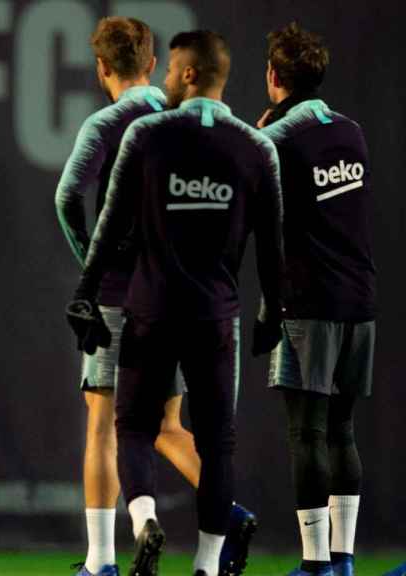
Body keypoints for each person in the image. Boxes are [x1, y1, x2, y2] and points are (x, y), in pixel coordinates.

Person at [67, 30, 284, 576]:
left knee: (119, 426)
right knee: (209, 440)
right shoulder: (252, 146)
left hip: (142, 302)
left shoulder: (143, 131)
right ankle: (213, 552)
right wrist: (272, 312)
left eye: (173, 75)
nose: (166, 83)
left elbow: (81, 201)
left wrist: (86, 288)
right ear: (151, 61)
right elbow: (273, 244)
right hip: (216, 315)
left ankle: (108, 554)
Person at [257, 23, 376, 576]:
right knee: (343, 431)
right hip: (360, 303)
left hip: (307, 304)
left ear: (274, 78)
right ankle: (344, 560)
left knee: (306, 432)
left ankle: (315, 563)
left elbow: (270, 220)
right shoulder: (351, 132)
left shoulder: (277, 139)